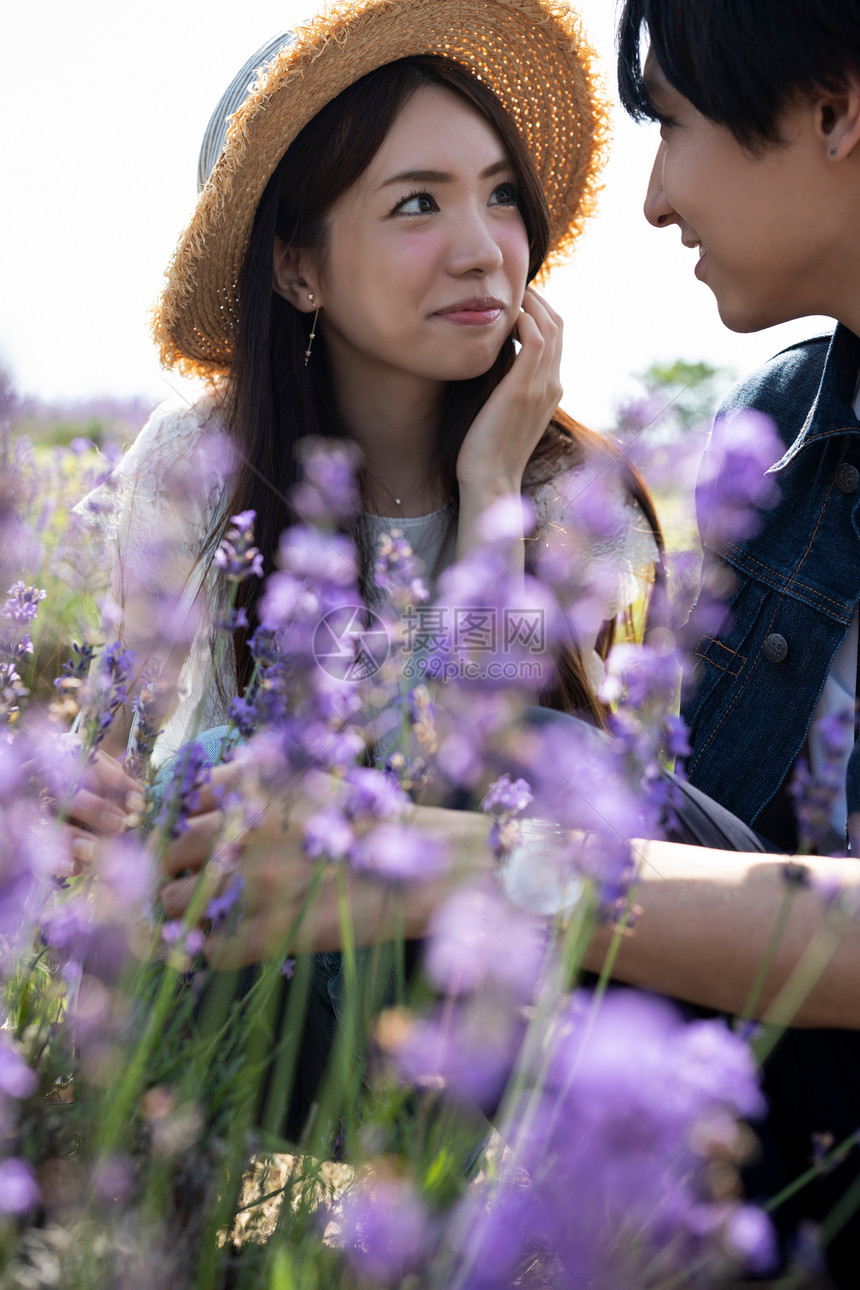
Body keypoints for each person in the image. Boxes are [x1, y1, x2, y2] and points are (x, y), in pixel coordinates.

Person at [615, 1, 860, 1279]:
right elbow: (680, 809)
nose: (654, 202)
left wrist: (502, 869)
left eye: (672, 122)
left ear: (832, 107)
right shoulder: (776, 419)